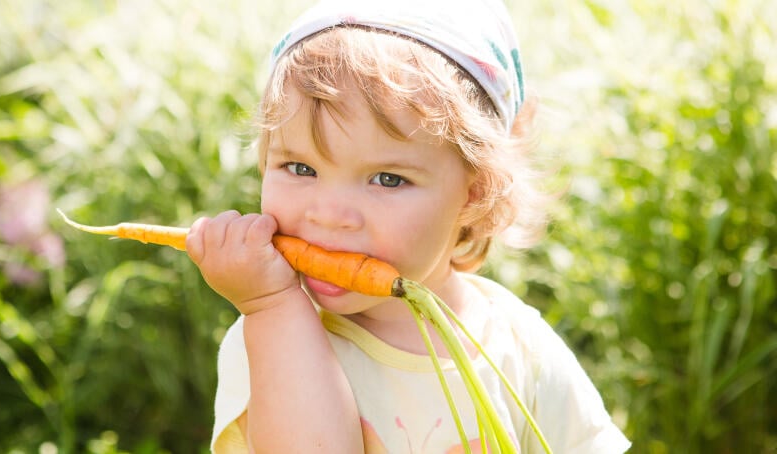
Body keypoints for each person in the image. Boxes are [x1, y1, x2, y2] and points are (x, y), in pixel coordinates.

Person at [185, 0, 631, 452]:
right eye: (300, 168)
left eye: (388, 179)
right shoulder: (273, 337)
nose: (329, 215)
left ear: (474, 193)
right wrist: (273, 307)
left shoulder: (520, 346)